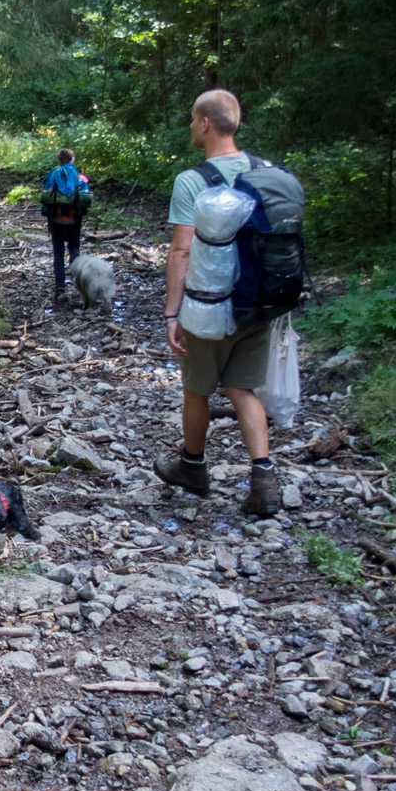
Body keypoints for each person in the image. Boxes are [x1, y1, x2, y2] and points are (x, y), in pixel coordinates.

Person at [156, 89, 281, 516]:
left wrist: (172, 312)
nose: (191, 126)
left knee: (197, 388)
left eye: (193, 119)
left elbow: (182, 250)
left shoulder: (193, 180)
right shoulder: (266, 172)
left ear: (206, 123)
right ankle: (264, 479)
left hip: (209, 306)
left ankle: (193, 467)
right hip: (258, 303)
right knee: (242, 387)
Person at [40, 149, 90, 299]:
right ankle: (79, 286)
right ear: (72, 159)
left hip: (56, 220)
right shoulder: (80, 177)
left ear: (60, 160)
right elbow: (86, 200)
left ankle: (60, 289)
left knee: (58, 253)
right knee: (74, 250)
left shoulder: (53, 174)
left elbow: (46, 197)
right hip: (74, 220)